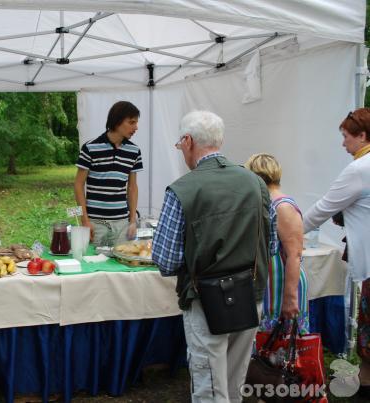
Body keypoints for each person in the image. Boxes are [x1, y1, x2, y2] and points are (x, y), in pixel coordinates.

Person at [152, 110, 270, 402]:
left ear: (188, 141)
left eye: (180, 145)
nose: (181, 152)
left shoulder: (183, 189)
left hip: (207, 299)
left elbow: (165, 260)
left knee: (209, 387)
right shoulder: (256, 182)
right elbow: (273, 244)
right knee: (233, 382)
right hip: (250, 294)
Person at [302, 108, 370, 393]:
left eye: (346, 136)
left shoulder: (359, 168)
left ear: (362, 135)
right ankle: (365, 380)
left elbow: (321, 210)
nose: (343, 143)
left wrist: (287, 232)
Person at [245, 153, 309, 333]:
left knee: (283, 345)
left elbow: (294, 255)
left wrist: (290, 297)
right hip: (270, 284)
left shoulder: (282, 206)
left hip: (282, 285)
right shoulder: (264, 202)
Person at [74, 101, 143, 246]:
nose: (136, 127)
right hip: (95, 224)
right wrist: (84, 220)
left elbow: (132, 187)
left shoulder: (134, 151)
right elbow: (78, 185)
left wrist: (132, 221)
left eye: (136, 123)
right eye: (131, 122)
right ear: (117, 121)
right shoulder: (90, 148)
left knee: (122, 265)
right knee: (95, 265)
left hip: (122, 225)